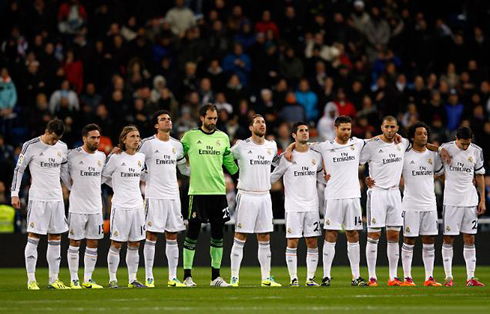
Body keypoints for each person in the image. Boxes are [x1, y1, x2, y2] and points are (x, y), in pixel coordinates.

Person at [181, 104, 238, 287]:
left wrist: (243, 175)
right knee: (192, 234)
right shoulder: (190, 137)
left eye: (215, 118)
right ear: (202, 118)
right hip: (197, 192)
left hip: (218, 192)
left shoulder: (223, 137)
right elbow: (175, 154)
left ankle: (216, 277)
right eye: (210, 118)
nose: (213, 122)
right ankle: (187, 276)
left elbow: (230, 163)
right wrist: (184, 171)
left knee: (218, 235)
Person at [11, 118, 69, 290]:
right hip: (38, 199)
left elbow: (64, 173)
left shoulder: (62, 147)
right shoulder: (30, 145)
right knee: (34, 237)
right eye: (53, 138)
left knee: (56, 238)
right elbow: (19, 169)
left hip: (57, 199)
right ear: (47, 131)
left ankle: (54, 280)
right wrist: (14, 193)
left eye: (58, 139)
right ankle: (31, 280)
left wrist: (73, 189)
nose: (55, 142)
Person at [310, 116, 367, 287]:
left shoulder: (357, 143)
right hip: (334, 196)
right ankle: (326, 275)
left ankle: (355, 276)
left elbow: (378, 140)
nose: (346, 132)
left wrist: (397, 137)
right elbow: (303, 144)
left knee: (353, 234)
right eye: (343, 129)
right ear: (335, 129)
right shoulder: (325, 146)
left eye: (349, 129)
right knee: (331, 234)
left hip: (353, 197)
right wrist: (290, 148)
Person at [229, 114, 281, 287]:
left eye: (264, 122)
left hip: (265, 196)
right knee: (240, 235)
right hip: (247, 194)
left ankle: (266, 277)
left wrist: (270, 179)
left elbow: (277, 163)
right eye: (258, 122)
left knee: (265, 236)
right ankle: (234, 277)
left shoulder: (272, 146)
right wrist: (236, 173)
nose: (262, 124)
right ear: (251, 127)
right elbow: (226, 157)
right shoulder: (241, 146)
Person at [140, 110, 190, 288]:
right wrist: (148, 178)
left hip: (173, 196)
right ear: (156, 125)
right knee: (151, 235)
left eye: (169, 119)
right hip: (154, 195)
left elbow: (184, 170)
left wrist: (204, 170)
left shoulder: (177, 145)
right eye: (163, 119)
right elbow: (134, 164)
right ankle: (149, 276)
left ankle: (172, 277)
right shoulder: (146, 144)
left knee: (172, 235)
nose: (168, 121)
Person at [359, 116, 410, 287]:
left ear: (397, 128)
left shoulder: (402, 143)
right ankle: (372, 277)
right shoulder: (371, 144)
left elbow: (421, 145)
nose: (389, 130)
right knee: (374, 235)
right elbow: (355, 161)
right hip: (377, 193)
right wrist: (363, 178)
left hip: (395, 193)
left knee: (394, 235)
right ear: (381, 127)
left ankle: (393, 277)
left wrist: (441, 150)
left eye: (393, 127)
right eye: (387, 127)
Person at [271, 122, 322, 287]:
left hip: (312, 206)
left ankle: (310, 278)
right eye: (301, 131)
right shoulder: (287, 157)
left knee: (312, 242)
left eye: (306, 130)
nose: (305, 133)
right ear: (294, 135)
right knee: (292, 242)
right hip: (293, 206)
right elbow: (273, 176)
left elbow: (321, 176)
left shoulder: (316, 156)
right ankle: (293, 278)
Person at [398, 122, 444, 287]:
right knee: (409, 240)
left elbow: (440, 175)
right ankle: (407, 277)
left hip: (429, 204)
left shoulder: (433, 156)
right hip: (411, 204)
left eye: (425, 133)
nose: (423, 136)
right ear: (412, 137)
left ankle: (429, 277)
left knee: (429, 240)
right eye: (419, 133)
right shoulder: (405, 155)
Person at [62, 124, 106, 289]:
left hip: (95, 207)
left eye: (98, 137)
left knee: (93, 243)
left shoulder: (102, 156)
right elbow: (62, 171)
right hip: (77, 207)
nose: (96, 140)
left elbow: (104, 176)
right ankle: (74, 279)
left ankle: (88, 279)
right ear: (84, 138)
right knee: (75, 242)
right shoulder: (72, 155)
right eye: (93, 137)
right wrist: (71, 186)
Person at [440, 127, 486, 286]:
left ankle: (471, 277)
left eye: (468, 144)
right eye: (462, 144)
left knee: (470, 238)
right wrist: (440, 150)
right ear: (456, 139)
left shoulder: (476, 151)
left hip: (470, 200)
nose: (465, 147)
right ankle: (448, 277)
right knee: (448, 238)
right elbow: (430, 148)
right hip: (451, 201)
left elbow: (479, 176)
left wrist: (482, 201)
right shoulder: (446, 147)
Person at [102, 125, 146, 289]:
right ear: (124, 140)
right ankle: (112, 279)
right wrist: (116, 186)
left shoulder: (141, 157)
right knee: (116, 243)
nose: (136, 139)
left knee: (135, 243)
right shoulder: (115, 157)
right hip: (120, 206)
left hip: (137, 206)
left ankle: (132, 279)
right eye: (132, 136)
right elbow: (103, 176)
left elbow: (142, 176)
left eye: (138, 136)